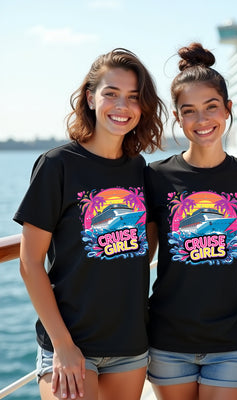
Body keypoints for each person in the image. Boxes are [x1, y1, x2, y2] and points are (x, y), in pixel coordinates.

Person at [14, 48, 166, 400]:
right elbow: (29, 262)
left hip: (129, 342)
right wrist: (63, 345)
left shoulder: (139, 169)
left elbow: (147, 239)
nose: (121, 106)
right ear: (90, 98)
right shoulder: (57, 165)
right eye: (111, 93)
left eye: (133, 97)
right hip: (69, 343)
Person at [144, 42, 237, 400]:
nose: (202, 120)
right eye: (189, 111)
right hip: (168, 339)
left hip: (230, 339)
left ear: (227, 109)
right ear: (178, 118)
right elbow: (141, 256)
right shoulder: (156, 177)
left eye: (211, 107)